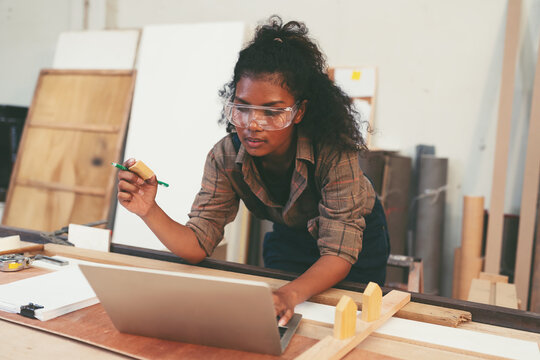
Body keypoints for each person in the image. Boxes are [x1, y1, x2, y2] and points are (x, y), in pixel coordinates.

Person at [117, 16, 390, 326]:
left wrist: (289, 293)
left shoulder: (332, 153)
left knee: (349, 323)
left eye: (272, 112)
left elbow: (339, 253)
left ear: (298, 111)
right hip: (293, 235)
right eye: (243, 108)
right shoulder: (226, 156)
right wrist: (149, 210)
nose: (253, 124)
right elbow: (197, 246)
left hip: (356, 244)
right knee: (285, 322)